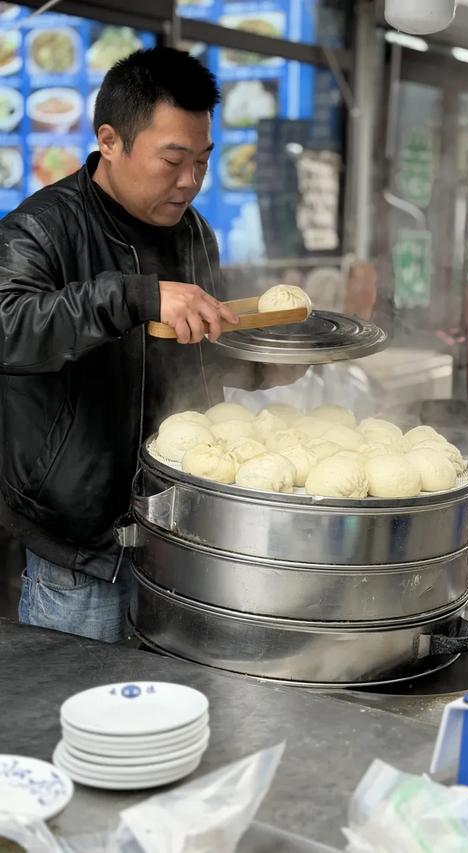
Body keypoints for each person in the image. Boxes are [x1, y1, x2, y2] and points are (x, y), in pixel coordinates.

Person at [0, 47, 255, 643]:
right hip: (83, 554)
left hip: (179, 538)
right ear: (110, 141)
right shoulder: (41, 228)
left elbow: (196, 357)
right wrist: (134, 297)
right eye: (172, 160)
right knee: (83, 722)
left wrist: (268, 362)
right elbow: (9, 324)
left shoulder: (193, 233)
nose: (190, 181)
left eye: (202, 160)